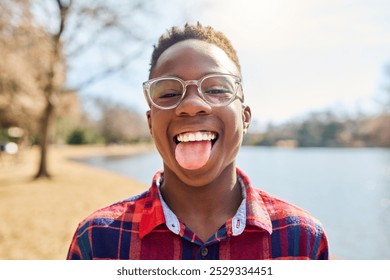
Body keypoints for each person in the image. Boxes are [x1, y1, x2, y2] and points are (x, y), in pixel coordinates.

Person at [67, 23, 329, 260]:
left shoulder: (303, 239)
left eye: (216, 89)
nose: (192, 105)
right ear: (150, 122)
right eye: (169, 92)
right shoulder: (97, 240)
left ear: (245, 117)